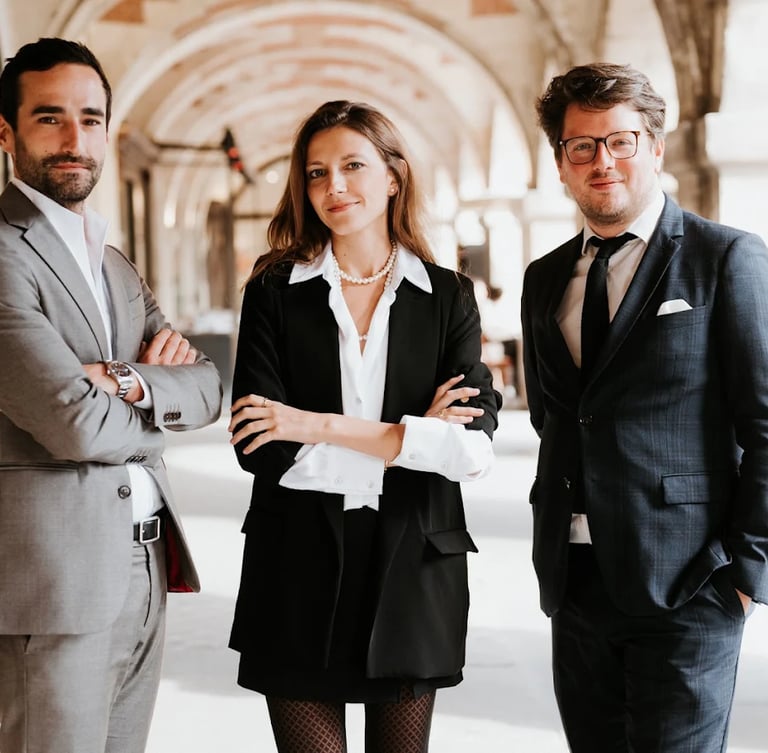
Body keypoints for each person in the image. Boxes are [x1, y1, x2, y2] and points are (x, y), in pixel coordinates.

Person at [227, 99, 500, 753]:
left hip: (412, 569)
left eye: (353, 165)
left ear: (393, 176)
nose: (335, 186)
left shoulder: (448, 297)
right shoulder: (273, 291)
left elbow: (470, 451)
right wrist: (409, 440)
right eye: (317, 172)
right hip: (294, 566)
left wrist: (314, 422)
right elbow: (261, 448)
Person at [521, 61, 768, 752]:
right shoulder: (545, 280)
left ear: (654, 147)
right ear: (562, 163)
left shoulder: (727, 260)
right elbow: (554, 418)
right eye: (583, 146)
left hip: (692, 584)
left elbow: (767, 422)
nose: (604, 161)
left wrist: (743, 574)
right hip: (575, 584)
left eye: (621, 141)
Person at [0, 37, 222, 753]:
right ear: (5, 132)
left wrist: (123, 378)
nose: (75, 139)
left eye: (91, 120)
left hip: (146, 566)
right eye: (50, 118)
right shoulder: (4, 254)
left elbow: (210, 385)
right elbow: (74, 427)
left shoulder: (113, 261)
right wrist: (155, 402)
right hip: (54, 584)